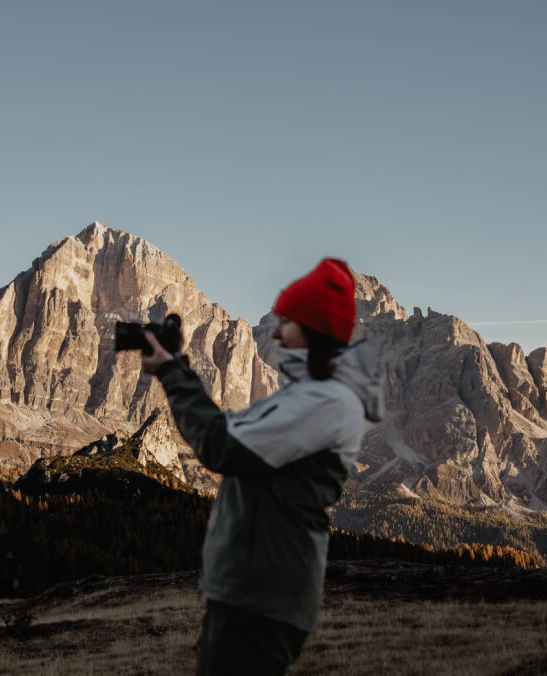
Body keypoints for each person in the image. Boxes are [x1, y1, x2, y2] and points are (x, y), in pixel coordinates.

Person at [141, 257, 384, 675]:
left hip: (264, 595)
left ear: (312, 331)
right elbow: (228, 433)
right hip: (249, 590)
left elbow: (220, 445)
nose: (274, 332)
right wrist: (177, 367)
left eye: (286, 322)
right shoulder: (306, 396)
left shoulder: (326, 402)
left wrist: (170, 373)